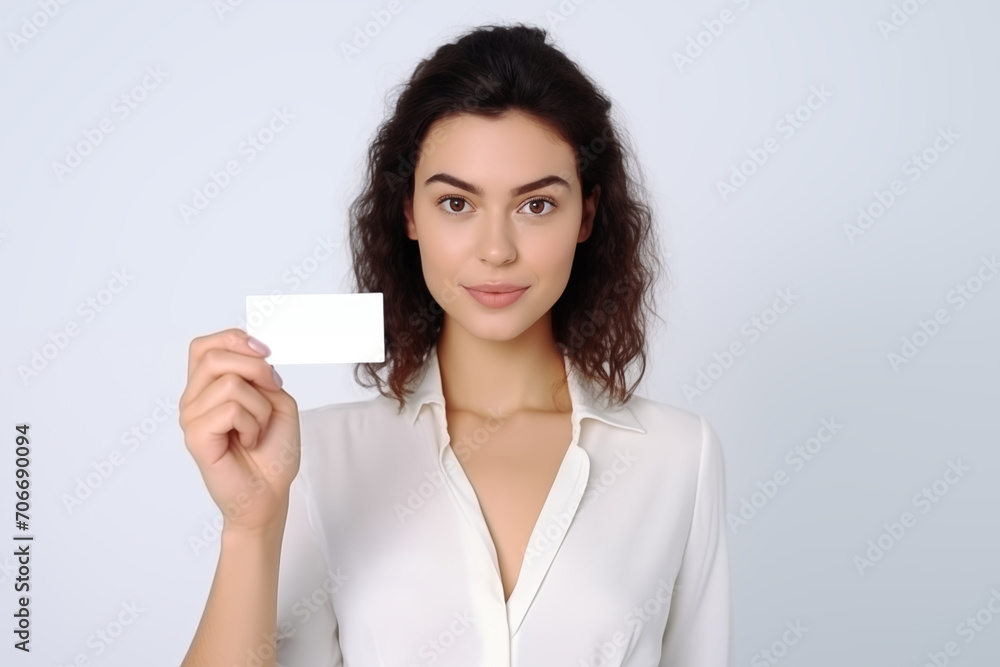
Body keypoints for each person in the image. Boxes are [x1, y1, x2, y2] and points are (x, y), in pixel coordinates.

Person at [178, 22, 732, 667]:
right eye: (456, 203)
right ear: (409, 212)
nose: (496, 249)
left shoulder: (679, 457)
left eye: (536, 206)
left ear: (586, 214)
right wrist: (250, 524)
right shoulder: (313, 458)